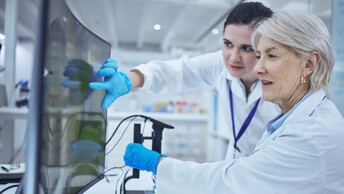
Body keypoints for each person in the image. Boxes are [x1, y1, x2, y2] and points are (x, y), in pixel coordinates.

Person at [123, 12, 344, 194]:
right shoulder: (296, 117)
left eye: (271, 56)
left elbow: (232, 188)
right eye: (259, 55)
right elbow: (181, 71)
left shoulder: (314, 136)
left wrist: (159, 165)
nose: (257, 68)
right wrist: (132, 78)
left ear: (309, 63)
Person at [90, 2, 280, 160]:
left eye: (246, 48)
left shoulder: (284, 83)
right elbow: (174, 72)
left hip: (274, 171)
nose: (233, 58)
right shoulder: (218, 65)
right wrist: (130, 80)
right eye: (227, 44)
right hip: (235, 163)